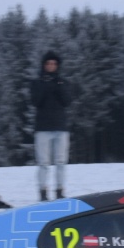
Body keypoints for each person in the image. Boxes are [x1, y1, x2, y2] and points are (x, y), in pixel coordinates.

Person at [30, 50, 73, 201]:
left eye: (54, 63)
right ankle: (43, 192)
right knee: (43, 163)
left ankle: (60, 191)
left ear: (58, 66)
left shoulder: (63, 82)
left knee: (61, 162)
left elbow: (67, 101)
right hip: (43, 128)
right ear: (44, 65)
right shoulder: (36, 83)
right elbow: (35, 101)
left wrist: (58, 86)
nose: (51, 66)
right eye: (48, 63)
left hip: (61, 127)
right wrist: (46, 86)